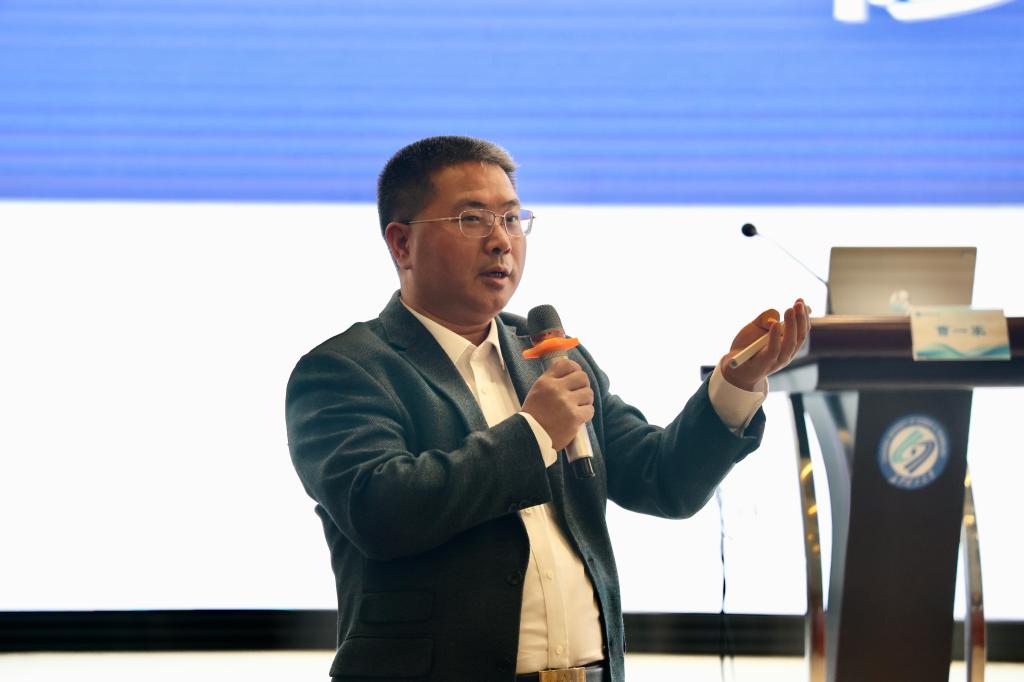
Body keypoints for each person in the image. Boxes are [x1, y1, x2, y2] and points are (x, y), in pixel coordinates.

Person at [285, 135, 810, 682]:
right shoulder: (346, 370)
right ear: (401, 244)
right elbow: (380, 511)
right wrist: (533, 434)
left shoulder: (550, 357)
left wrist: (735, 383)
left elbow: (663, 481)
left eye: (512, 219)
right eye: (471, 219)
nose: (500, 241)